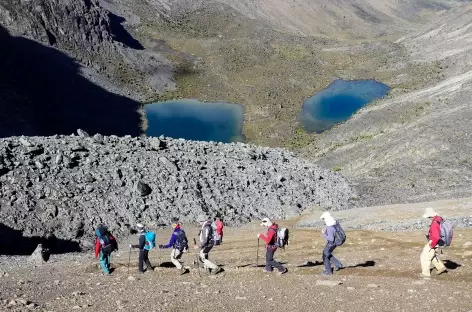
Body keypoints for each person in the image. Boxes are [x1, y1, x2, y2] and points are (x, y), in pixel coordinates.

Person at [420, 207, 447, 277]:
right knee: (431, 254)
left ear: (430, 215)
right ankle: (441, 267)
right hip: (440, 241)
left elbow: (436, 236)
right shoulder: (439, 218)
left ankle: (425, 274)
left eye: (428, 217)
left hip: (434, 242)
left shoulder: (435, 223)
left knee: (424, 257)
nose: (428, 218)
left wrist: (432, 245)